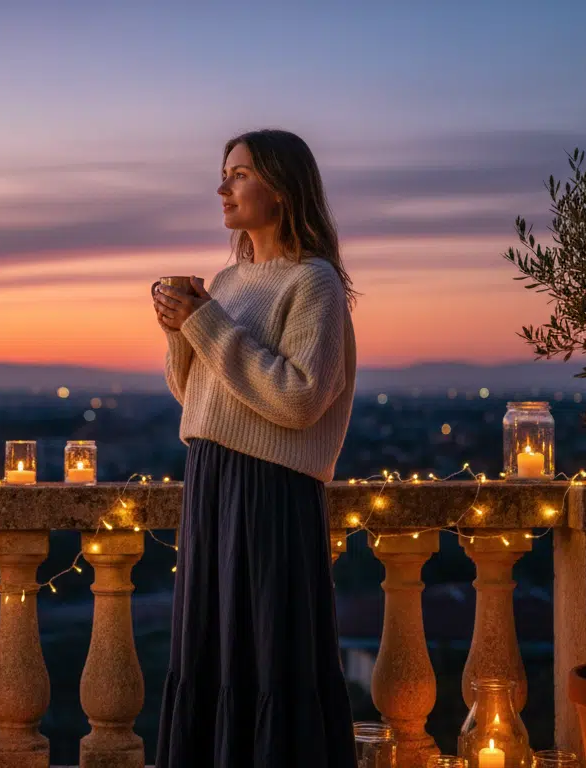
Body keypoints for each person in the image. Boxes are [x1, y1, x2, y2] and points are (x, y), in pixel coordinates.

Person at [151, 128, 359, 767]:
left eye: (239, 174)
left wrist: (203, 321)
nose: (223, 187)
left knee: (269, 654)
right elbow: (198, 399)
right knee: (211, 652)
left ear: (283, 189)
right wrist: (180, 333)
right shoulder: (229, 278)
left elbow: (298, 398)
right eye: (225, 173)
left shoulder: (313, 283)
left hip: (271, 490)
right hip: (212, 479)